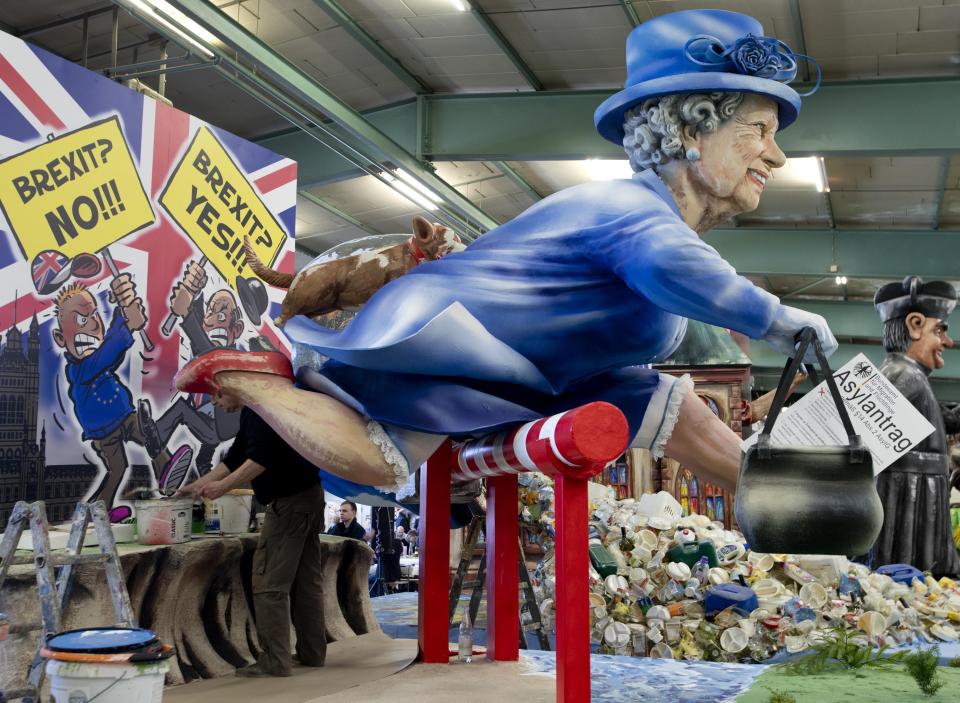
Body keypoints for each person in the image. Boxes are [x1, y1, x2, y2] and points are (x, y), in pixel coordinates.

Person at [175, 10, 837, 503]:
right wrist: (776, 318)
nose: (776, 155)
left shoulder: (651, 219)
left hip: (535, 375)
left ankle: (786, 503)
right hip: (455, 336)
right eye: (758, 130)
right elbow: (675, 271)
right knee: (383, 458)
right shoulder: (634, 214)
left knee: (677, 406)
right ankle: (254, 376)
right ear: (691, 130)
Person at [180, 401, 326, 677]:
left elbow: (260, 459)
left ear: (229, 385)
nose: (217, 403)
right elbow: (236, 456)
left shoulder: (260, 412)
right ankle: (312, 652)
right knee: (306, 581)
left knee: (268, 581)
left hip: (288, 502)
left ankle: (275, 660)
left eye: (217, 395)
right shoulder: (263, 410)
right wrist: (199, 485)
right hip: (307, 497)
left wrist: (223, 486)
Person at [53, 279, 192, 520]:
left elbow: (110, 349)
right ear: (59, 337)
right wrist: (128, 327)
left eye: (94, 317)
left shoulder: (98, 358)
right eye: (81, 320)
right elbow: (109, 352)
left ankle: (165, 470)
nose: (92, 325)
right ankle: (97, 511)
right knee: (118, 468)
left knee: (148, 433)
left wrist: (123, 311)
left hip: (124, 416)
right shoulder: (79, 370)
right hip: (103, 430)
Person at [868, 276, 960, 577]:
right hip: (909, 508)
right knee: (911, 579)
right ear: (915, 324)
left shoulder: (912, 378)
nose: (947, 342)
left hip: (919, 502)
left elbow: (945, 421)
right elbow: (862, 432)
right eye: (940, 330)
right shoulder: (902, 375)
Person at [139, 263, 247, 479]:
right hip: (207, 417)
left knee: (180, 409)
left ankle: (156, 439)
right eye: (211, 314)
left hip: (217, 427)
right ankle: (204, 463)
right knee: (203, 443)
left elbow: (207, 351)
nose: (214, 319)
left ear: (236, 330)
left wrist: (186, 313)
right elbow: (201, 338)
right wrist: (194, 293)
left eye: (222, 316)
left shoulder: (229, 359)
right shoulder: (206, 340)